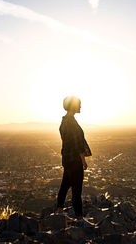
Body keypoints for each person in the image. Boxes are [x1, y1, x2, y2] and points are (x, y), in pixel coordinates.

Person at [56, 96, 92, 225]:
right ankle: (80, 218)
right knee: (77, 190)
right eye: (79, 104)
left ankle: (59, 211)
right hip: (75, 160)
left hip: (67, 158)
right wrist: (83, 161)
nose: (81, 106)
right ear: (73, 106)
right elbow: (78, 145)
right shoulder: (71, 122)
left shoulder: (64, 121)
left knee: (65, 185)